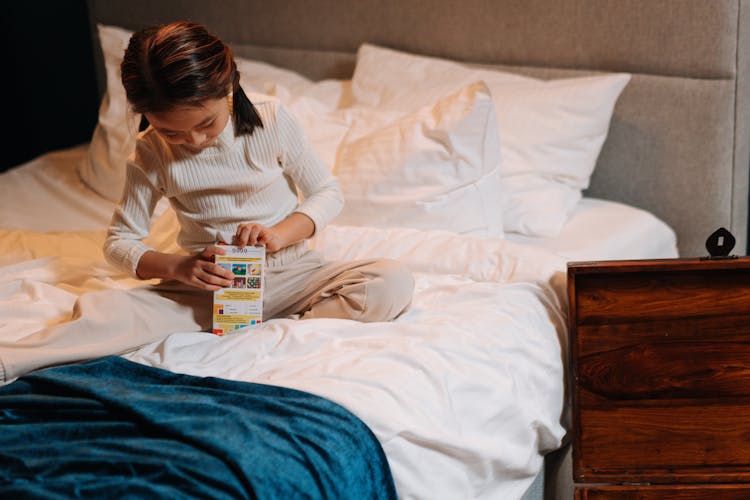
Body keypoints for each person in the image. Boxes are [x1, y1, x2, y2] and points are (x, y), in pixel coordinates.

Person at [0, 21, 414, 384]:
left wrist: (277, 234)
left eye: (206, 124)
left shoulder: (271, 120)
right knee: (108, 316)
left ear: (229, 85)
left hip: (294, 276)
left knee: (390, 281)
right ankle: (8, 361)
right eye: (173, 132)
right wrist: (180, 266)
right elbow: (119, 243)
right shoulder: (150, 153)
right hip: (209, 294)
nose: (194, 141)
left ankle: (278, 333)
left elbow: (328, 193)